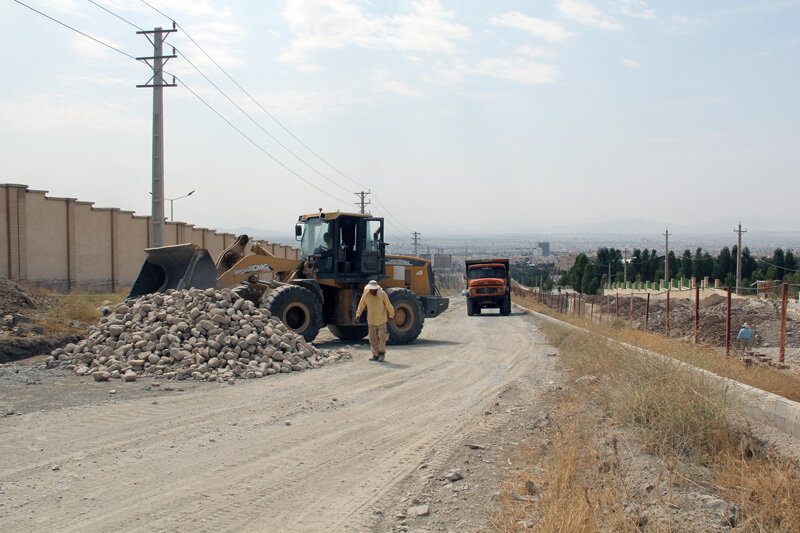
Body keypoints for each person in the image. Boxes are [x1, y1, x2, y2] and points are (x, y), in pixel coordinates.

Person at [355, 280, 395, 362]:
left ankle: (381, 354)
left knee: (382, 338)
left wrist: (391, 315)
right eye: (370, 289)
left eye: (373, 289)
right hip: (371, 321)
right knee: (372, 339)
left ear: (376, 289)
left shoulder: (383, 294)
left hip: (382, 321)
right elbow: (361, 305)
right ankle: (375, 355)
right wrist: (358, 314)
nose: (371, 291)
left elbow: (388, 305)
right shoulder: (366, 295)